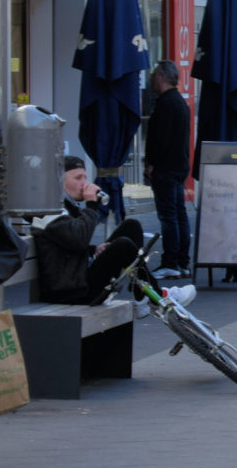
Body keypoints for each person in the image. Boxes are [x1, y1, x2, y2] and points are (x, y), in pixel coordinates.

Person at [30, 159, 144, 305]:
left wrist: (93, 251)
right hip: (69, 292)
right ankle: (154, 296)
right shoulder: (48, 209)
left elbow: (67, 245)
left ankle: (141, 292)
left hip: (79, 278)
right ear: (59, 181)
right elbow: (78, 239)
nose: (84, 183)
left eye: (85, 177)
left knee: (131, 226)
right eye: (78, 178)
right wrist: (91, 206)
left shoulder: (68, 205)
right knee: (122, 245)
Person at [142, 59, 192, 278]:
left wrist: (151, 164)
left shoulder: (165, 104)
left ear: (161, 76)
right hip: (178, 166)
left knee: (169, 216)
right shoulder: (180, 102)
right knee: (179, 214)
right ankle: (182, 261)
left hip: (166, 168)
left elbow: (159, 139)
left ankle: (171, 261)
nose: (152, 78)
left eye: (154, 74)